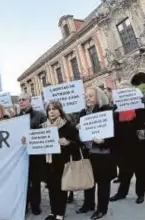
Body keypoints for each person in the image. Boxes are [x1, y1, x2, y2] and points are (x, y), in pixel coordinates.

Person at [76, 86, 117, 220]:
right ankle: (88, 204)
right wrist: (79, 129)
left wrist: (104, 141)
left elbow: (115, 134)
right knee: (89, 181)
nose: (87, 99)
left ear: (98, 97)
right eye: (86, 96)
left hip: (103, 154)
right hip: (88, 154)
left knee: (103, 183)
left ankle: (102, 209)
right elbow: (80, 135)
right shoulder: (82, 113)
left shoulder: (107, 111)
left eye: (90, 96)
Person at [42, 101, 80, 220]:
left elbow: (78, 143)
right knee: (51, 188)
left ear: (60, 110)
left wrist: (68, 142)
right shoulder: (42, 127)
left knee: (61, 188)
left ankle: (60, 213)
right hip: (48, 163)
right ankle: (53, 212)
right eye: (49, 109)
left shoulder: (67, 125)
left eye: (54, 109)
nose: (51, 111)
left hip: (62, 163)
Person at [18, 92, 47, 215]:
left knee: (35, 182)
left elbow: (45, 132)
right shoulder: (15, 118)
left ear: (30, 101)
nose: (21, 102)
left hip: (35, 155)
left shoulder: (40, 115)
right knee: (23, 182)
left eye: (23, 99)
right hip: (21, 156)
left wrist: (30, 137)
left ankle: (35, 205)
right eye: (19, 100)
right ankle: (24, 205)